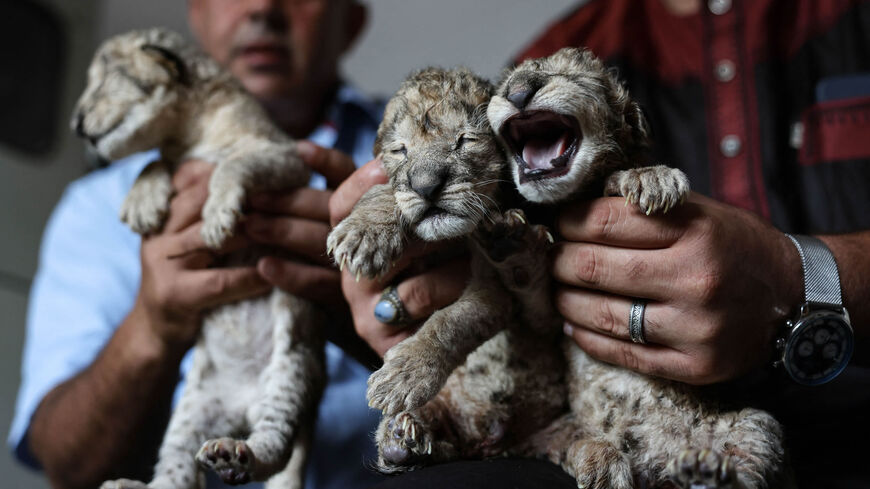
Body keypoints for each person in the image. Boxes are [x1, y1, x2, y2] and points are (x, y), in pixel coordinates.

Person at [332, 0, 870, 487]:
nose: (524, 90)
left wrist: (806, 276)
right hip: (583, 422)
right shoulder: (547, 57)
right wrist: (390, 292)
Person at [8, 1, 387, 489]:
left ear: (351, 22)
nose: (261, 8)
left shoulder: (415, 155)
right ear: (196, 14)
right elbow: (64, 462)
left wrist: (379, 318)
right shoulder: (99, 204)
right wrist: (152, 327)